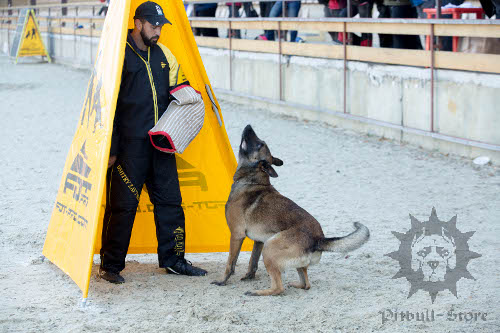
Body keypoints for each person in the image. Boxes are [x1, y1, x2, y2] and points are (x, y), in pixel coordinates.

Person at [99, 1, 207, 284]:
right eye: (153, 25)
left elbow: (181, 90)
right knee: (122, 207)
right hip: (129, 147)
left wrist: (191, 101)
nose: (157, 30)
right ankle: (110, 266)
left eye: (160, 26)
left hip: (160, 144)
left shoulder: (164, 55)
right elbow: (106, 105)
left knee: (171, 203)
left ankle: (173, 260)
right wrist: (111, 149)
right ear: (138, 23)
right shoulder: (119, 55)